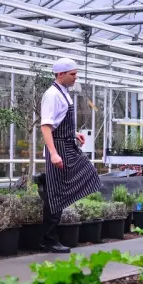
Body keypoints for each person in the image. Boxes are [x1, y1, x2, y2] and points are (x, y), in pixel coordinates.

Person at [37, 57, 101, 253]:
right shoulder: (52, 95)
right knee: (56, 194)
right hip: (58, 148)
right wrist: (54, 154)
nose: (75, 77)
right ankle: (49, 240)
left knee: (88, 173)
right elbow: (46, 127)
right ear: (60, 74)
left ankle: (45, 186)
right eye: (72, 74)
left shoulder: (63, 92)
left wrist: (74, 133)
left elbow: (58, 122)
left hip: (67, 145)